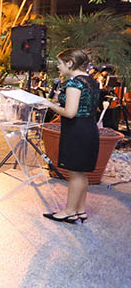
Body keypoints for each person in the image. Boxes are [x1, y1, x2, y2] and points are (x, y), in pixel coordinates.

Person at [40, 48, 101, 224]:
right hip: (88, 129)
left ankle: (68, 211)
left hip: (76, 131)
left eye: (60, 63)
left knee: (75, 174)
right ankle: (79, 210)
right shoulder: (91, 81)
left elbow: (70, 112)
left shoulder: (75, 83)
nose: (58, 66)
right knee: (81, 173)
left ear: (70, 63)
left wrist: (49, 104)